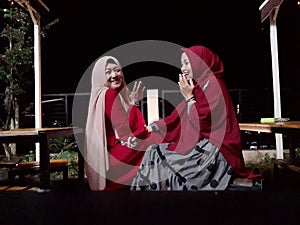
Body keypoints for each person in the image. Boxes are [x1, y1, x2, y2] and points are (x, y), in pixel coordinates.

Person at [131, 45, 262, 191]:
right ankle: (145, 201)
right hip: (202, 145)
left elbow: (201, 123)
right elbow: (177, 117)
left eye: (187, 63)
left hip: (215, 151)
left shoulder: (213, 84)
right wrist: (152, 127)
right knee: (153, 151)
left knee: (159, 158)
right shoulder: (199, 86)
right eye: (182, 64)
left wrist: (188, 98)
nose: (183, 68)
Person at [84, 56, 162, 191]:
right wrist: (134, 104)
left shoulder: (98, 94)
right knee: (158, 138)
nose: (114, 75)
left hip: (104, 158)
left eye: (117, 70)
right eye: (108, 72)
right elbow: (127, 132)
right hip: (114, 157)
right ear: (100, 75)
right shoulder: (109, 94)